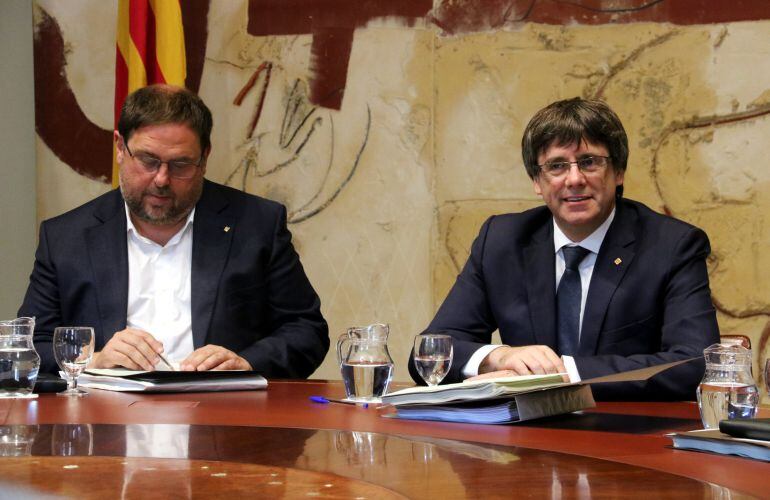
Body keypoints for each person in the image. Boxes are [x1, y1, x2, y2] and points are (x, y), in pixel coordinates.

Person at [411, 97, 719, 400]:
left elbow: (692, 362)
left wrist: (563, 374)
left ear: (619, 172)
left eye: (589, 162)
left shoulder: (672, 246)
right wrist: (499, 357)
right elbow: (428, 352)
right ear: (537, 180)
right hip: (526, 439)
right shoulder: (502, 241)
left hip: (629, 437)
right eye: (556, 166)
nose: (574, 179)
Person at [20, 84, 329, 377]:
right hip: (107, 420)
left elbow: (306, 329)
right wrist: (94, 359)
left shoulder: (257, 224)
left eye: (180, 164)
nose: (161, 179)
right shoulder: (65, 238)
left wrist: (246, 363)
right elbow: (30, 345)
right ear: (119, 148)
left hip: (223, 418)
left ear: (204, 158)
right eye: (148, 160)